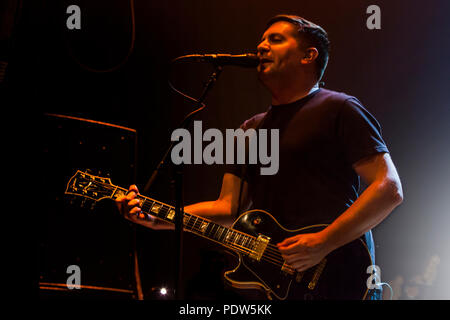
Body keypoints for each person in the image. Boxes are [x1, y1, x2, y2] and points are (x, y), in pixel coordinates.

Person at [116, 14, 403, 300]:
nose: (261, 47)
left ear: (308, 55)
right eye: (262, 40)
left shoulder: (341, 108)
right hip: (281, 288)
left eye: (275, 40)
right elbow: (228, 209)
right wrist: (159, 217)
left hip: (342, 279)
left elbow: (388, 189)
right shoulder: (251, 129)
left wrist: (323, 243)